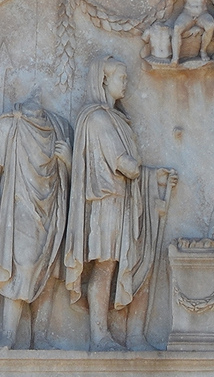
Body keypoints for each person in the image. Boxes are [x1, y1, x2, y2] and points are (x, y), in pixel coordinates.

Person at [64, 57, 158, 350]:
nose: (125, 83)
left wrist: (153, 177)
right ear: (104, 80)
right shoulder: (99, 118)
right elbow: (126, 165)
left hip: (117, 200)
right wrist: (141, 168)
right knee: (104, 267)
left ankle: (110, 333)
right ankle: (99, 335)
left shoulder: (113, 118)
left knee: (110, 266)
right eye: (121, 77)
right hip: (105, 202)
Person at [0, 100, 71, 349]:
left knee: (49, 268)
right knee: (23, 263)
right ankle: (8, 335)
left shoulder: (59, 127)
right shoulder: (8, 124)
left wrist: (69, 162)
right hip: (19, 202)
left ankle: (40, 336)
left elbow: (80, 179)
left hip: (52, 203)